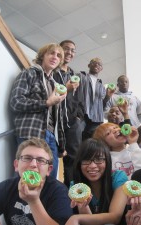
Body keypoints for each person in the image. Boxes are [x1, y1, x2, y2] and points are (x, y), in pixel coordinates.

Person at [10, 43, 66, 178]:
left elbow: (57, 118)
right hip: (31, 131)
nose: (55, 57)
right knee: (26, 177)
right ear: (42, 56)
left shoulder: (55, 85)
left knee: (50, 179)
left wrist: (62, 145)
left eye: (58, 55)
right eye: (51, 53)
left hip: (51, 136)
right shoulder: (28, 73)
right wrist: (46, 103)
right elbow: (16, 102)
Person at [0, 138, 73, 225]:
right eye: (27, 158)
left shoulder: (59, 191)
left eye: (41, 160)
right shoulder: (6, 187)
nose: (33, 164)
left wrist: (34, 201)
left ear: (49, 170)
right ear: (16, 165)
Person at [65, 138, 128, 225]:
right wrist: (84, 208)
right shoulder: (75, 187)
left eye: (99, 159)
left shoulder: (118, 177)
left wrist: (77, 218)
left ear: (107, 161)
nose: (92, 165)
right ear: (79, 163)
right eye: (86, 160)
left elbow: (115, 217)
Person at [53, 40, 85, 186]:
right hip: (54, 122)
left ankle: (71, 193)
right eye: (66, 49)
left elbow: (81, 100)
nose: (70, 53)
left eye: (73, 50)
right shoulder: (52, 72)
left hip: (73, 122)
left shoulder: (75, 76)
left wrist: (78, 117)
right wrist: (66, 88)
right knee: (51, 156)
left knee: (73, 159)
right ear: (60, 50)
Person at [82, 57, 115, 140]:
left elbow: (102, 107)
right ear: (89, 65)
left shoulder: (101, 86)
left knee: (94, 143)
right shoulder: (82, 77)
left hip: (96, 119)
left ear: (101, 69)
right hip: (82, 115)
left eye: (99, 64)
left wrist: (108, 96)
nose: (97, 64)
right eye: (94, 62)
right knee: (79, 143)